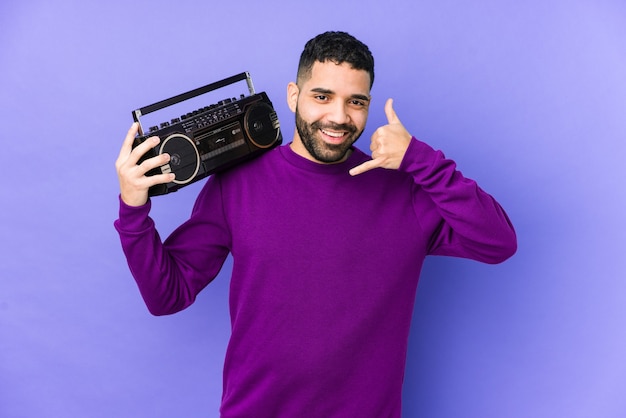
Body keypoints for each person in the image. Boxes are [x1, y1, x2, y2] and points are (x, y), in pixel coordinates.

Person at [115, 31, 517, 418]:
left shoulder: (404, 190)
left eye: (355, 102)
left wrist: (419, 159)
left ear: (369, 104)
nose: (338, 116)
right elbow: (166, 295)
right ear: (294, 96)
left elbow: (498, 242)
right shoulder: (237, 185)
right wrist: (133, 208)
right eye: (322, 96)